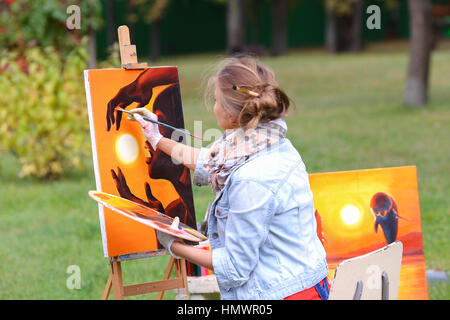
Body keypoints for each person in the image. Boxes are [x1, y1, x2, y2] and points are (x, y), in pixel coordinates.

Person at [130, 56, 329, 300]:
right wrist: (157, 139)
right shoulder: (266, 141)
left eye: (215, 100)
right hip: (307, 283)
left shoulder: (250, 179)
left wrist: (174, 246)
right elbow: (210, 162)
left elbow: (234, 268)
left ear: (233, 115)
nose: (213, 107)